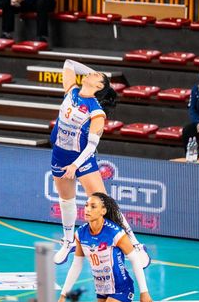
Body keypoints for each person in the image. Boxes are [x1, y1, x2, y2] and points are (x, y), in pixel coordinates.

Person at [51, 59, 150, 269]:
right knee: (65, 199)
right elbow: (69, 63)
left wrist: (75, 166)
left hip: (82, 159)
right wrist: (97, 75)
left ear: (98, 87)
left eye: (95, 76)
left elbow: (91, 146)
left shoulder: (96, 112)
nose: (90, 74)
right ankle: (68, 241)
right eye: (91, 73)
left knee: (105, 203)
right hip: (60, 155)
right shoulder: (71, 90)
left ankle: (135, 245)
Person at [57, 192, 155, 302]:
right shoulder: (81, 234)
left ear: (103, 211)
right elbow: (76, 265)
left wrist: (144, 292)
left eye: (93, 206)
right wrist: (63, 295)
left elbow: (135, 260)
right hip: (102, 290)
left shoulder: (115, 233)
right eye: (86, 205)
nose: (87, 209)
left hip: (121, 289)